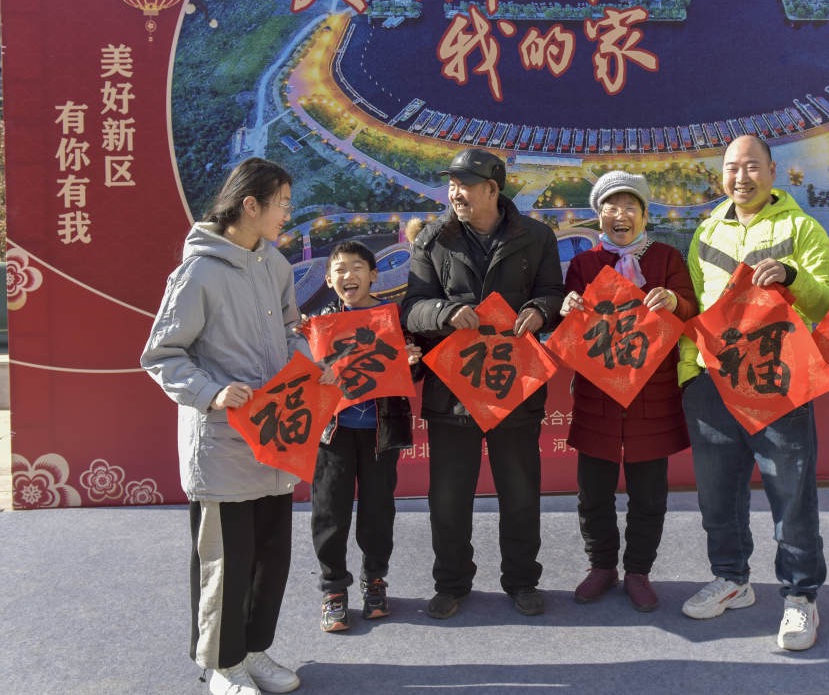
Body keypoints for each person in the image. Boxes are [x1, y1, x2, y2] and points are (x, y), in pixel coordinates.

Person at [141, 158, 312, 695]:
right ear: (250, 205)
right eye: (282, 203)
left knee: (271, 559)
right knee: (226, 561)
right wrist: (211, 393)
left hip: (274, 439)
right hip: (222, 446)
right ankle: (222, 664)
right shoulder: (198, 273)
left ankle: (254, 651)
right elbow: (162, 354)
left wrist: (307, 363)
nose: (287, 213)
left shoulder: (275, 265)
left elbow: (291, 332)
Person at [678, 134, 829, 651]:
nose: (740, 177)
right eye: (731, 167)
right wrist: (690, 374)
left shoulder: (801, 228)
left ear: (772, 171)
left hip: (776, 383)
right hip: (713, 383)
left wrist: (792, 277)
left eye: (751, 166)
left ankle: (801, 595)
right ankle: (732, 579)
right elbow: (696, 306)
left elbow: (828, 303)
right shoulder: (706, 230)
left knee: (791, 494)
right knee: (717, 494)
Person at [402, 147, 564, 619]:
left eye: (465, 185)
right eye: (451, 184)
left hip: (514, 386)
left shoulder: (537, 236)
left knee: (520, 492)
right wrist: (445, 312)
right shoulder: (432, 239)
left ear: (493, 189)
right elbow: (412, 308)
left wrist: (540, 311)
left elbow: (553, 294)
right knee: (448, 498)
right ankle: (451, 583)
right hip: (453, 390)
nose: (455, 193)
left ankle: (522, 580)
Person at [559, 171, 698, 611]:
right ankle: (601, 566)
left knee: (649, 493)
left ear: (644, 213)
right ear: (598, 215)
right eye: (611, 207)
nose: (621, 215)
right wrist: (568, 307)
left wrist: (674, 301)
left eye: (630, 206)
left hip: (652, 395)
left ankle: (638, 570)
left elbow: (691, 309)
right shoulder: (584, 264)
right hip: (597, 396)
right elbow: (570, 325)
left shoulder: (666, 258)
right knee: (593, 491)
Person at [310, 241, 422, 632]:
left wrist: (412, 361)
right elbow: (302, 378)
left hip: (380, 431)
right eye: (339, 269)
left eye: (357, 267)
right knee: (330, 512)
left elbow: (413, 370)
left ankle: (375, 580)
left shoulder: (393, 317)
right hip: (333, 434)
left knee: (378, 511)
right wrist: (315, 369)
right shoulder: (318, 323)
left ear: (373, 275)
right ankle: (333, 590)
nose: (348, 276)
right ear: (329, 279)